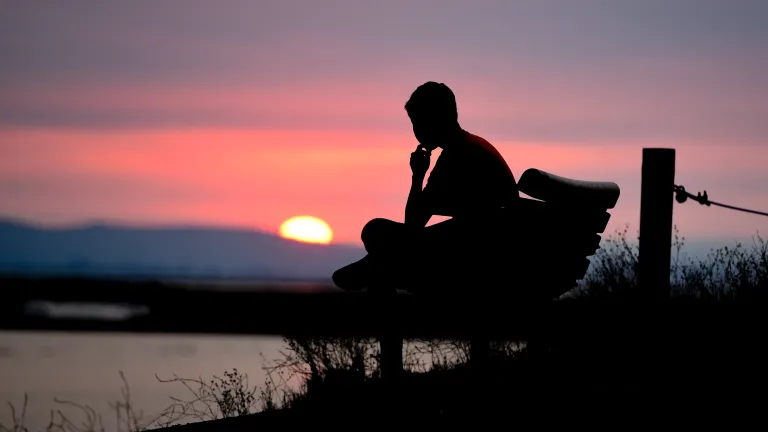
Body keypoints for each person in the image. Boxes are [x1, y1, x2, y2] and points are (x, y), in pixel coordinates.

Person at [333, 81, 520, 293]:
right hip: (488, 241)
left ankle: (375, 268)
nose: (416, 130)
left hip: (477, 251)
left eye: (418, 122)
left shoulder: (457, 155)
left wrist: (418, 175)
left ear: (437, 119)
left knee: (375, 231)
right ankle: (376, 266)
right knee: (382, 247)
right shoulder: (472, 146)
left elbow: (414, 222)